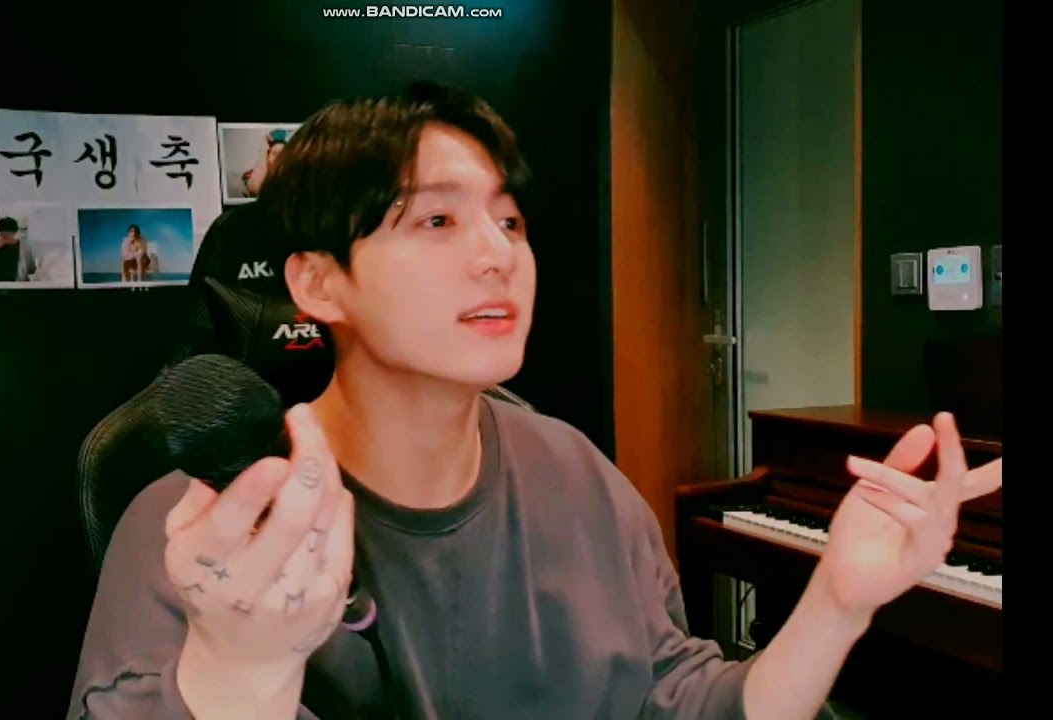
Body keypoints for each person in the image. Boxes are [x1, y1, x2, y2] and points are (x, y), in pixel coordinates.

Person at [68, 83, 1002, 719]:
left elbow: (690, 699)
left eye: (509, 220)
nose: (498, 253)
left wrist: (838, 600)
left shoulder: (577, 474)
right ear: (318, 283)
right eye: (437, 218)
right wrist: (240, 672)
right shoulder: (199, 538)